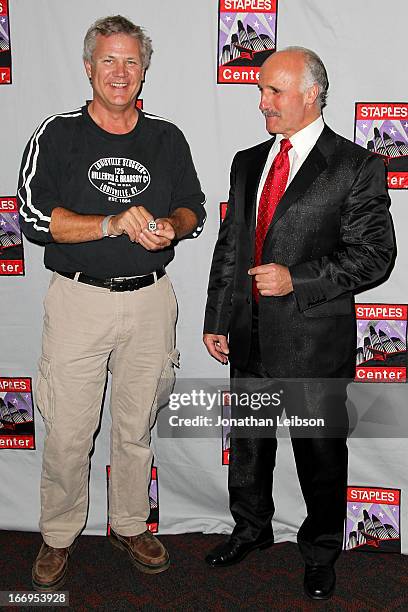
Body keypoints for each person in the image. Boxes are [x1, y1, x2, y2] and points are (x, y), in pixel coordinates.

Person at [18, 15, 205, 592]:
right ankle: (58, 534)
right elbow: (31, 217)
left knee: (134, 428)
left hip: (151, 302)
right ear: (88, 67)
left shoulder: (167, 137)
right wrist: (109, 223)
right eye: (109, 60)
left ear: (144, 68)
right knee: (70, 432)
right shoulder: (56, 133)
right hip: (79, 301)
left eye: (131, 61)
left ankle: (128, 523)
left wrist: (171, 228)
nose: (120, 72)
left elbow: (193, 208)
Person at [203, 47, 394, 600]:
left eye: (273, 92)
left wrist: (298, 279)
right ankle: (251, 530)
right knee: (249, 445)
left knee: (320, 455)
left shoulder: (358, 166)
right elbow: (231, 248)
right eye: (260, 90)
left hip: (314, 342)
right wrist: (219, 317)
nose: (261, 102)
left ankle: (320, 552)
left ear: (311, 94)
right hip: (249, 336)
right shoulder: (247, 161)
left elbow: (375, 256)